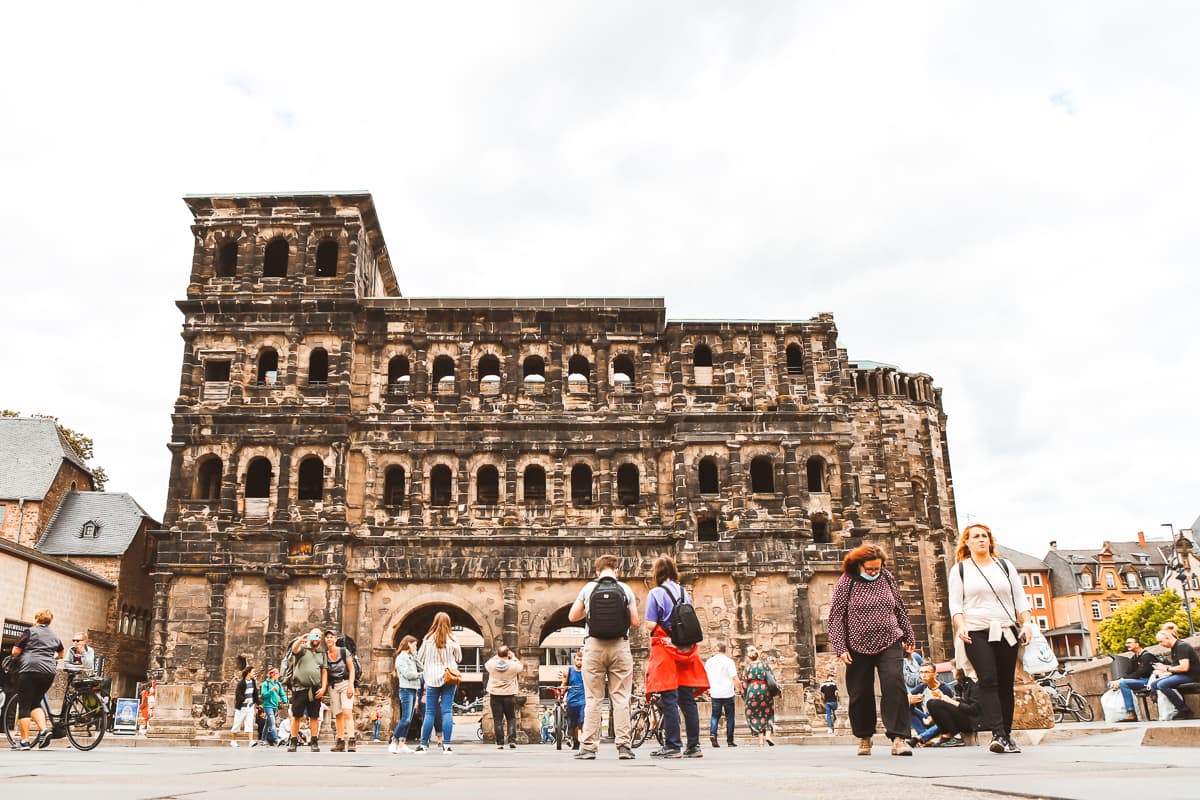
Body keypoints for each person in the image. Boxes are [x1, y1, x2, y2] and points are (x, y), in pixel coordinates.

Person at [948, 523, 1034, 755]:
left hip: (1006, 629)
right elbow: (955, 603)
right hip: (975, 629)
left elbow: (1020, 598)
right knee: (988, 679)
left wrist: (1026, 623)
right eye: (975, 537)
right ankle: (997, 734)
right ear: (967, 542)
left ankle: (1006, 735)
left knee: (1006, 683)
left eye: (984, 536)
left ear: (990, 540)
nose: (981, 540)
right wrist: (961, 625)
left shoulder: (1005, 566)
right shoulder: (961, 569)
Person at [827, 543, 917, 757]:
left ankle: (899, 738)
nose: (874, 572)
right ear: (859, 565)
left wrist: (909, 634)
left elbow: (899, 607)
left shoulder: (886, 577)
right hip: (857, 645)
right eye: (870, 569)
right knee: (860, 692)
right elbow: (836, 617)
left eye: (877, 568)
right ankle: (865, 736)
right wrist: (840, 647)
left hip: (890, 639)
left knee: (894, 685)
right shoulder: (847, 581)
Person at [567, 553, 640, 761]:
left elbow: (572, 616)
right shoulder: (625, 589)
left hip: (594, 646)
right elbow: (635, 622)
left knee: (593, 698)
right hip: (620, 646)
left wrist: (588, 613)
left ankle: (589, 747)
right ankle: (624, 746)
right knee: (621, 698)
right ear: (616, 571)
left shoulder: (589, 588)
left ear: (597, 571)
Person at [644, 555, 710, 759]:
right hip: (685, 648)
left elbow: (651, 624)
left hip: (665, 648)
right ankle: (694, 745)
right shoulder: (684, 593)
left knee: (669, 698)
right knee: (688, 699)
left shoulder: (655, 592)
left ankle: (673, 745)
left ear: (657, 573)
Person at [9, 609, 63, 750]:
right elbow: (61, 653)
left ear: (37, 619)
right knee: (35, 702)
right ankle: (44, 730)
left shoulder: (30, 631)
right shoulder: (55, 636)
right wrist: (51, 658)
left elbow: (15, 651)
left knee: (24, 705)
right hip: (49, 672)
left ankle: (25, 741)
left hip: (30, 670)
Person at [416, 611, 462, 753]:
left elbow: (419, 658)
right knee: (447, 711)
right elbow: (459, 658)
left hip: (431, 678)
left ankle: (424, 744)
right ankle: (446, 745)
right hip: (449, 677)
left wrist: (428, 667)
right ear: (449, 623)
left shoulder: (428, 639)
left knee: (430, 712)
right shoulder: (453, 639)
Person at [287, 627, 329, 752]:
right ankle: (293, 741)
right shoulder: (303, 648)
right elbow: (294, 649)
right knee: (296, 716)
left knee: (314, 716)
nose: (317, 638)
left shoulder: (322, 652)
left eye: (319, 637)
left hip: (315, 689)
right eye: (315, 636)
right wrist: (302, 639)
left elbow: (324, 671)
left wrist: (323, 687)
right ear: (310, 636)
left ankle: (314, 742)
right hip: (299, 688)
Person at [1148, 628, 1199, 720]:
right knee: (1154, 684)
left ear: (1167, 638)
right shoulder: (1174, 647)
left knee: (1162, 684)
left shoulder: (1182, 646)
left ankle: (1184, 710)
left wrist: (1166, 668)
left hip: (1192, 675)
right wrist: (1163, 668)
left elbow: (1184, 667)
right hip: (1183, 674)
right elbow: (1175, 666)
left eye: (1161, 641)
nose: (1160, 644)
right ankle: (1169, 709)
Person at [923, 668, 980, 747]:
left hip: (973, 722)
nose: (952, 671)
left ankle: (957, 737)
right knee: (931, 703)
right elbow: (965, 702)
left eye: (953, 668)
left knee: (935, 704)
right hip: (965, 717)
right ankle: (946, 735)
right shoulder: (960, 685)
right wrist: (949, 699)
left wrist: (951, 701)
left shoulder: (973, 684)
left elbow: (974, 710)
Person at [1108, 637, 1161, 722]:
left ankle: (1131, 713)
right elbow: (1129, 673)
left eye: (1129, 643)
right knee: (1111, 684)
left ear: (1137, 644)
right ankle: (1122, 712)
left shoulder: (1146, 656)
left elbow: (1142, 673)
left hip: (1148, 680)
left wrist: (1121, 680)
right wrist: (1118, 680)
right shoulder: (1134, 657)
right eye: (1126, 643)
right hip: (1139, 680)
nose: (1127, 645)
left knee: (1123, 683)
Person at [323, 629, 357, 752]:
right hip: (333, 686)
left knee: (347, 712)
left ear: (335, 639)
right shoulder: (325, 655)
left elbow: (352, 669)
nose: (329, 639)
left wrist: (350, 686)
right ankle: (340, 741)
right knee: (338, 714)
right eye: (327, 637)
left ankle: (352, 740)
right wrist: (323, 688)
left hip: (345, 683)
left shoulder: (344, 651)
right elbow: (325, 673)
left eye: (331, 637)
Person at [485, 644, 524, 748]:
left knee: (497, 719)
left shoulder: (491, 665)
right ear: (508, 654)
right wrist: (513, 657)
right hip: (509, 694)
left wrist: (497, 656)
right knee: (511, 718)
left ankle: (500, 742)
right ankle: (511, 740)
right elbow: (521, 666)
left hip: (495, 694)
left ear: (498, 654)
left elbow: (487, 663)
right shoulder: (513, 665)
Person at [705, 641, 742, 747]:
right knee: (730, 717)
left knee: (715, 716)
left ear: (716, 650)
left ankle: (713, 733)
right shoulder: (729, 661)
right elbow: (735, 677)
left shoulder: (710, 661)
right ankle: (730, 740)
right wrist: (740, 688)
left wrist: (707, 689)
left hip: (715, 692)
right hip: (728, 693)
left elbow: (705, 677)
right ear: (725, 650)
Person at [907, 662, 954, 746]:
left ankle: (920, 738)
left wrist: (933, 717)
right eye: (921, 672)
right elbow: (907, 697)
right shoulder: (922, 687)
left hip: (940, 719)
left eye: (926, 672)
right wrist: (911, 700)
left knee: (944, 720)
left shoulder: (944, 688)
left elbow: (951, 709)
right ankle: (925, 736)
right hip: (926, 718)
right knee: (906, 706)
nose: (923, 675)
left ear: (935, 674)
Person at [389, 635, 421, 753]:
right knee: (406, 719)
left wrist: (415, 655)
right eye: (414, 645)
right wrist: (420, 674)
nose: (416, 647)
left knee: (409, 718)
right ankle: (394, 740)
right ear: (408, 644)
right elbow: (408, 674)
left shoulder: (411, 657)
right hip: (406, 689)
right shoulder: (401, 658)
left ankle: (402, 743)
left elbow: (421, 666)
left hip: (413, 689)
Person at [740, 645, 776, 746]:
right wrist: (778, 691)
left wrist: (744, 695)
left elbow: (744, 683)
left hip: (752, 691)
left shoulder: (748, 667)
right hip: (765, 690)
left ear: (749, 657)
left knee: (755, 714)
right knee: (768, 713)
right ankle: (768, 736)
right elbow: (772, 679)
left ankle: (760, 741)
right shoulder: (765, 665)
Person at [560, 651, 586, 749]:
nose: (579, 662)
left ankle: (583, 739)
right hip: (571, 700)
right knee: (573, 723)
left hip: (583, 699)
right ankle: (576, 741)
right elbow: (564, 684)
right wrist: (561, 693)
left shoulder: (586, 671)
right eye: (577, 660)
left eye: (581, 660)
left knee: (582, 720)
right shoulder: (569, 671)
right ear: (574, 660)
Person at [230, 666, 260, 747]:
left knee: (250, 723)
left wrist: (256, 702)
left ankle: (251, 741)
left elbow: (255, 693)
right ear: (248, 673)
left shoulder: (253, 682)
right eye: (253, 672)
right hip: (241, 707)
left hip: (250, 707)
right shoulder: (241, 683)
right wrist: (244, 699)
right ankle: (233, 741)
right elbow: (238, 694)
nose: (254, 673)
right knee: (237, 723)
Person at [259, 666, 287, 745]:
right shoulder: (265, 684)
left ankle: (263, 740)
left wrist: (285, 701)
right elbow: (263, 695)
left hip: (275, 705)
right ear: (272, 675)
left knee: (268, 722)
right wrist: (271, 691)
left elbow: (282, 694)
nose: (278, 675)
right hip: (268, 705)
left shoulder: (278, 684)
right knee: (272, 722)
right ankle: (276, 739)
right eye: (277, 673)